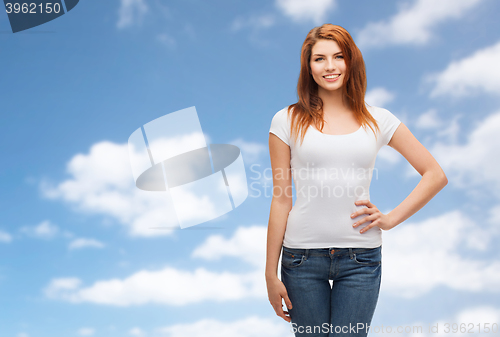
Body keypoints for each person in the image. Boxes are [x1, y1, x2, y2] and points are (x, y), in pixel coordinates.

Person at [265, 24, 448, 337]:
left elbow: (435, 174)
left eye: (338, 56)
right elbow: (282, 198)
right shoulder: (286, 120)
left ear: (351, 61)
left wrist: (389, 219)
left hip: (360, 258)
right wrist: (270, 271)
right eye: (319, 59)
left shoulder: (379, 119)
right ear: (308, 66)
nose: (330, 66)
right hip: (300, 259)